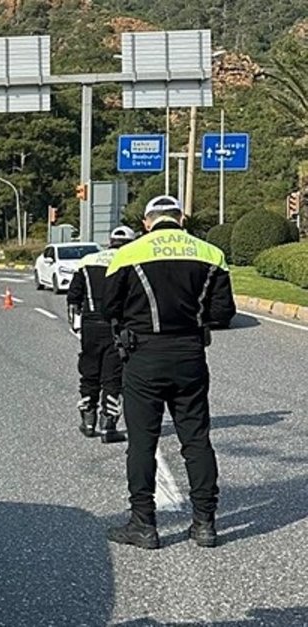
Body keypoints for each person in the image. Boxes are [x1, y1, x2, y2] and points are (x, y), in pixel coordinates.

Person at [101, 195, 236, 549]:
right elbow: (223, 313)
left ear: (147, 222)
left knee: (142, 442)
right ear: (182, 219)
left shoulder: (128, 254)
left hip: (143, 354)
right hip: (190, 354)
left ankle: (143, 525)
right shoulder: (210, 253)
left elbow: (107, 307)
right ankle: (205, 524)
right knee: (196, 438)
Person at [66, 225, 136, 443]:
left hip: (90, 324)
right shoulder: (131, 262)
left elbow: (73, 296)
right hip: (117, 324)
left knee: (89, 371)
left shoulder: (88, 260)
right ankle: (109, 426)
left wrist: (79, 318)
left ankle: (88, 421)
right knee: (113, 375)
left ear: (110, 240)